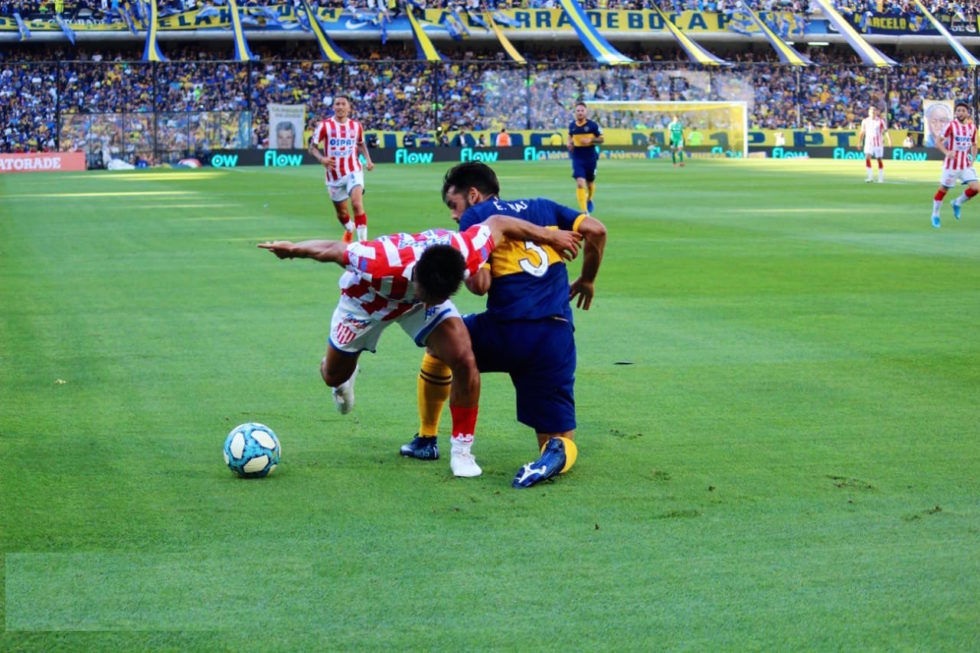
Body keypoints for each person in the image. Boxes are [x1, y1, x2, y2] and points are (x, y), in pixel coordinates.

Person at [258, 215, 582, 478]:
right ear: (416, 278)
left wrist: (549, 235)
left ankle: (462, 452)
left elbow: (498, 222)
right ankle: (346, 375)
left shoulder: (466, 250)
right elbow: (332, 249)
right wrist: (292, 250)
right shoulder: (377, 260)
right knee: (332, 375)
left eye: (442, 297)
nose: (434, 301)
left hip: (416, 305)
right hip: (365, 304)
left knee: (464, 358)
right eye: (430, 295)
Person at [400, 162, 607, 489]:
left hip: (504, 330)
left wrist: (462, 263)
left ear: (473, 195)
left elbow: (480, 285)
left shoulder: (476, 216)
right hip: (554, 337)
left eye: (453, 205)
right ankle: (553, 456)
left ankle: (427, 439)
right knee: (558, 438)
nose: (454, 215)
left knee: (439, 345)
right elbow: (597, 230)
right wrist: (587, 280)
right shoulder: (545, 207)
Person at [309, 95, 375, 243]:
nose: (340, 107)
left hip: (353, 171)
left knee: (357, 204)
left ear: (349, 108)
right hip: (334, 175)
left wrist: (368, 160)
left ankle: (363, 244)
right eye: (337, 104)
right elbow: (312, 147)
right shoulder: (325, 126)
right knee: (342, 214)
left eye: (343, 104)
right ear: (333, 107)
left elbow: (360, 143)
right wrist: (321, 159)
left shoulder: (356, 126)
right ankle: (350, 228)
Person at [930, 100, 978, 229]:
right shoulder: (951, 126)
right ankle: (935, 214)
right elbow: (938, 141)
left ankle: (957, 202)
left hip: (965, 165)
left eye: (963, 111)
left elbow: (974, 145)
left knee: (976, 188)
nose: (960, 113)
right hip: (951, 165)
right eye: (958, 111)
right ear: (955, 113)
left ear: (967, 113)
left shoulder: (972, 128)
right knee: (943, 189)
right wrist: (947, 152)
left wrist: (972, 160)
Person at [567, 101, 603, 214]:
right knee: (580, 182)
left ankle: (589, 199)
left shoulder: (593, 125)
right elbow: (570, 135)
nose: (580, 113)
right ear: (575, 112)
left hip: (590, 156)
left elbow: (601, 139)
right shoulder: (572, 126)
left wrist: (591, 140)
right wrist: (569, 143)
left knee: (590, 184)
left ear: (586, 112)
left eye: (582, 110)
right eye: (578, 111)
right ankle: (584, 211)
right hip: (577, 156)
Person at [857, 106, 891, 183]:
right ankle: (870, 177)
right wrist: (859, 142)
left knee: (879, 159)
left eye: (874, 111)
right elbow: (862, 132)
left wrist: (889, 139)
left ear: (876, 112)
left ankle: (880, 178)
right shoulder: (865, 121)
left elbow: (885, 131)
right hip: (868, 143)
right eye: (871, 111)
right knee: (867, 157)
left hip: (878, 143)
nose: (873, 112)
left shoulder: (880, 121)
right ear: (869, 112)